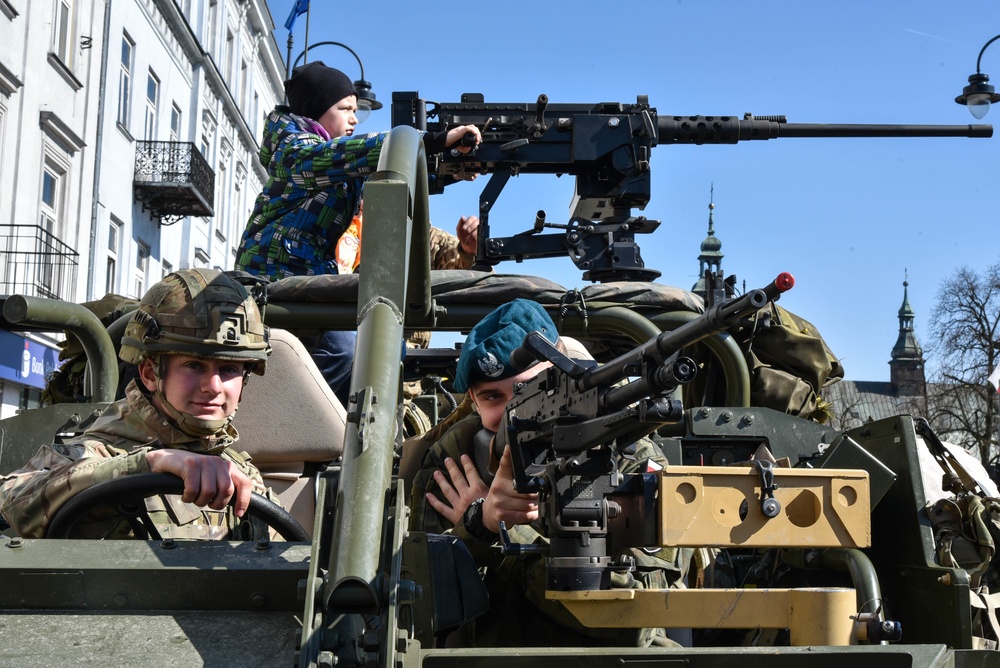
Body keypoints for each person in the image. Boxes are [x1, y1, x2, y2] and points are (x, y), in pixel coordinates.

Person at [408, 299, 687, 648]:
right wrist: (478, 528)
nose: (512, 412)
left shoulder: (628, 453)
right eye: (493, 397)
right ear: (474, 404)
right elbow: (417, 607)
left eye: (527, 391)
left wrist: (509, 534)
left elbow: (636, 624)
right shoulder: (454, 459)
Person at [235, 60, 483, 406]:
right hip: (275, 283)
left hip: (306, 283)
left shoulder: (334, 158)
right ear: (315, 110)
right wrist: (424, 141)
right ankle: (319, 424)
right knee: (354, 354)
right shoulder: (293, 149)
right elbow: (334, 159)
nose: (354, 118)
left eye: (356, 109)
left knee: (379, 348)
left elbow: (375, 170)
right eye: (345, 109)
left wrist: (452, 164)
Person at [0, 268, 274, 540]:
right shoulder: (100, 452)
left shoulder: (240, 473)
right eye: (194, 365)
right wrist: (146, 465)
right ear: (150, 373)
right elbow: (16, 503)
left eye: (228, 370)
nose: (213, 386)